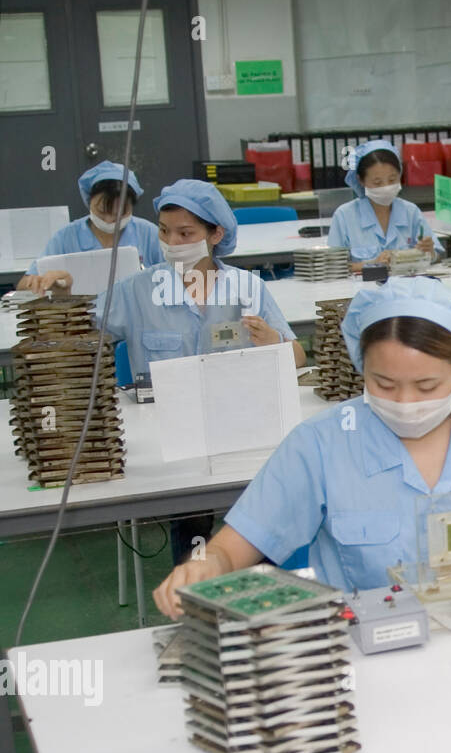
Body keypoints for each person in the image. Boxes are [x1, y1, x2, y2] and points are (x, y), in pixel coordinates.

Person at [152, 277, 451, 617]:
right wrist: (204, 566)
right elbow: (232, 548)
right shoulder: (320, 444)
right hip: (369, 647)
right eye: (384, 383)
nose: (405, 403)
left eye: (427, 385)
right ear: (361, 363)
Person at [89, 178, 305, 568]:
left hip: (242, 430)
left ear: (215, 234)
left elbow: (297, 358)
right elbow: (77, 326)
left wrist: (273, 340)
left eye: (186, 233)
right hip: (171, 438)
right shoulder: (137, 290)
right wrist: (58, 290)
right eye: (164, 231)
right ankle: (197, 593)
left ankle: (259, 590)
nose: (173, 242)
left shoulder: (246, 287)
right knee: (192, 521)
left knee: (264, 504)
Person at [20, 161, 164, 293]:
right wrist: (37, 283)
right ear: (89, 202)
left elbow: (178, 277)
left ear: (132, 206)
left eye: (120, 214)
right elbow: (24, 285)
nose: (109, 220)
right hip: (81, 318)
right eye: (102, 212)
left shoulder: (148, 234)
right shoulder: (66, 238)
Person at [327, 139, 442, 273]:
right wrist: (372, 264)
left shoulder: (411, 212)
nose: (386, 187)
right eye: (377, 182)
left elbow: (436, 257)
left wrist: (430, 251)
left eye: (392, 179)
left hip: (407, 289)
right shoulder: (345, 216)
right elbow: (333, 267)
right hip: (363, 290)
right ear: (360, 180)